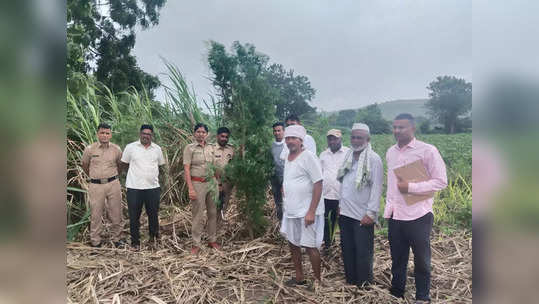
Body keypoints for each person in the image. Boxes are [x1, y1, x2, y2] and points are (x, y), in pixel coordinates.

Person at [384, 113, 447, 303]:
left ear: (413, 128)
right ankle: (397, 291)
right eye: (394, 127)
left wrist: (411, 187)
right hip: (396, 214)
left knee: (421, 259)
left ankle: (422, 296)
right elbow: (391, 186)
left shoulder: (427, 151)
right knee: (398, 257)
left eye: (401, 127)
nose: (397, 131)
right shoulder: (390, 152)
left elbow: (441, 181)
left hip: (419, 214)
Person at [336, 123, 383, 287]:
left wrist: (371, 214)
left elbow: (377, 188)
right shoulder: (348, 156)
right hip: (346, 213)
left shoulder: (374, 159)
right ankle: (351, 281)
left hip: (362, 216)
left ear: (368, 139)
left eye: (359, 138)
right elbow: (344, 183)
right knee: (347, 249)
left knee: (363, 252)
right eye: (353, 137)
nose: (356, 140)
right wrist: (340, 206)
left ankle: (364, 285)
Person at [280, 125, 324, 287]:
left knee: (310, 246)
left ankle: (317, 281)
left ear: (301, 141)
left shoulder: (309, 157)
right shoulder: (288, 157)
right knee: (293, 244)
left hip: (306, 211)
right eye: (288, 138)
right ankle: (299, 277)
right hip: (291, 210)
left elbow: (318, 184)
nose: (290, 141)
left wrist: (311, 211)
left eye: (293, 138)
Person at [121, 124, 166, 249]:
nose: (146, 136)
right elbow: (124, 165)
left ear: (152, 135)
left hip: (152, 188)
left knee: (153, 214)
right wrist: (133, 177)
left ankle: (153, 238)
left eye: (149, 134)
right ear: (140, 134)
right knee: (134, 216)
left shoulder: (157, 149)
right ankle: (135, 242)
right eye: (144, 133)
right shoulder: (130, 147)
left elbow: (161, 166)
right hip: (134, 188)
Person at [81, 123, 124, 248]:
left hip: (113, 184)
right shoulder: (90, 149)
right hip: (96, 185)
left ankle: (117, 239)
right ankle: (95, 241)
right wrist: (95, 177)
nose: (104, 135)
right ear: (97, 134)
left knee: (116, 213)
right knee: (96, 213)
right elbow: (85, 165)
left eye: (107, 133)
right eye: (102, 133)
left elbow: (120, 165)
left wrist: (113, 177)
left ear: (110, 134)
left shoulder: (116, 149)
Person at [183, 123, 220, 254]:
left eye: (203, 132)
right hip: (197, 183)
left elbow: (215, 167)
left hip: (211, 183)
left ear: (207, 134)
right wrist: (190, 188)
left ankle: (212, 240)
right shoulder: (189, 148)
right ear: (194, 133)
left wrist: (217, 183)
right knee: (198, 214)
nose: (201, 134)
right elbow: (186, 169)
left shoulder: (212, 148)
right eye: (198, 131)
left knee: (213, 212)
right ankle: (196, 243)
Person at [318, 129, 350, 253]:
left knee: (343, 222)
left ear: (340, 139)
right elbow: (320, 173)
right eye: (330, 138)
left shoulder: (348, 153)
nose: (332, 141)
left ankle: (345, 247)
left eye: (335, 138)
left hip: (341, 196)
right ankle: (328, 245)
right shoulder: (323, 155)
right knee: (325, 221)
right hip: (325, 195)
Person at [211, 127, 234, 220]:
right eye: (222, 136)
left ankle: (219, 225)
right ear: (217, 136)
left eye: (226, 137)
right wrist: (217, 182)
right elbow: (208, 166)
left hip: (227, 182)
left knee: (224, 205)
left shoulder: (231, 149)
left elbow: (235, 163)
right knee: (214, 206)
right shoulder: (211, 148)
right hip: (214, 182)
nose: (224, 138)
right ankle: (211, 227)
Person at [270, 122, 285, 221]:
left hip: (286, 178)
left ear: (284, 131)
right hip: (275, 179)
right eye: (275, 131)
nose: (277, 133)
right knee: (278, 201)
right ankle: (280, 223)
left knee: (287, 201)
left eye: (279, 130)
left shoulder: (287, 144)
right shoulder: (271, 147)